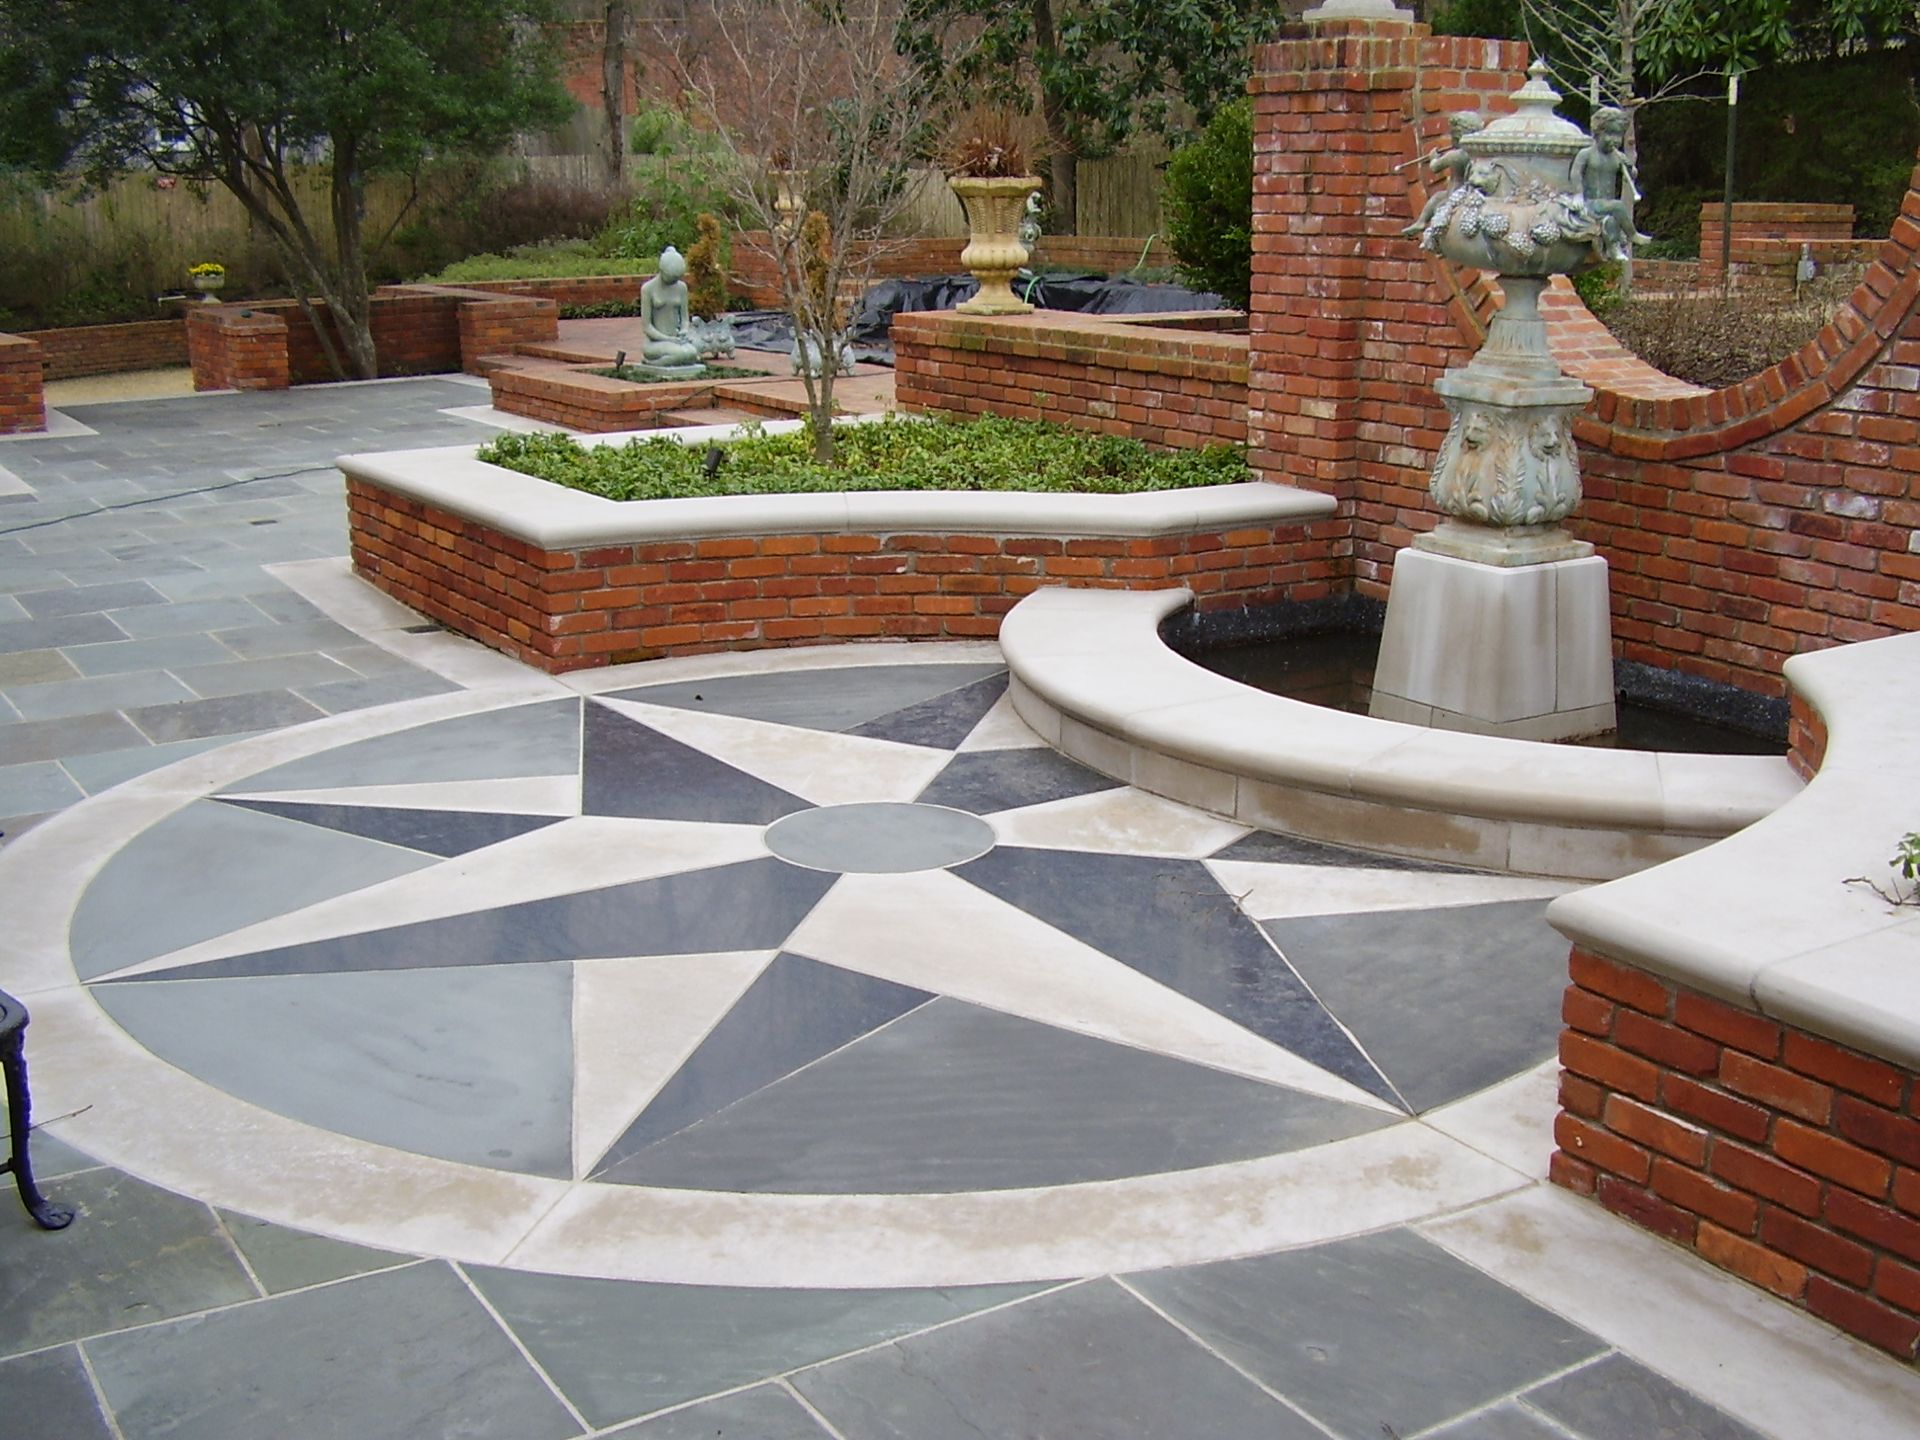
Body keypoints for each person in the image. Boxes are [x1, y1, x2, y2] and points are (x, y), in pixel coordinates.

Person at [1571, 107, 1648, 260]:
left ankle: (1614, 249)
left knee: (1612, 220)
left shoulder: (1617, 156)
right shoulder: (1586, 154)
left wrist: (1630, 169)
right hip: (1590, 203)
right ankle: (1632, 234)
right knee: (1618, 206)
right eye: (1610, 134)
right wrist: (1578, 195)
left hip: (1607, 206)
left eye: (1618, 135)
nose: (1614, 140)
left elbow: (1631, 176)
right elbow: (1575, 174)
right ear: (1598, 132)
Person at [1402, 112, 1483, 238]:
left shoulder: (1455, 156)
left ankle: (1422, 221)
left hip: (1454, 193)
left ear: (1458, 135)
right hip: (1470, 193)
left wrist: (1433, 157)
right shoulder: (1477, 155)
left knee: (1436, 198)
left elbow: (1435, 167)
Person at [640, 246, 702, 367]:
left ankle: (668, 360)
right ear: (662, 270)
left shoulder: (681, 287)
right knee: (680, 355)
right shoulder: (648, 289)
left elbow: (685, 318)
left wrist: (684, 331)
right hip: (656, 342)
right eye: (671, 277)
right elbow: (647, 326)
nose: (674, 281)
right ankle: (651, 363)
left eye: (677, 278)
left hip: (676, 340)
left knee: (692, 353)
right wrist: (667, 339)